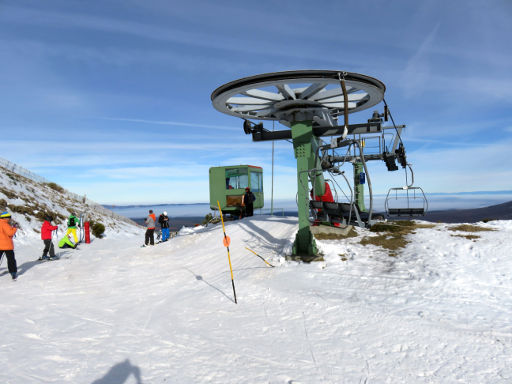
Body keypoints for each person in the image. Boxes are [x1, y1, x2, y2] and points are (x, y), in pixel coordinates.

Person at [0, 211, 18, 280]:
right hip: (7, 245)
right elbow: (10, 233)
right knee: (11, 260)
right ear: (6, 218)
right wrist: (15, 228)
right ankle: (13, 272)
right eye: (9, 218)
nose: (10, 219)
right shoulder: (4, 223)